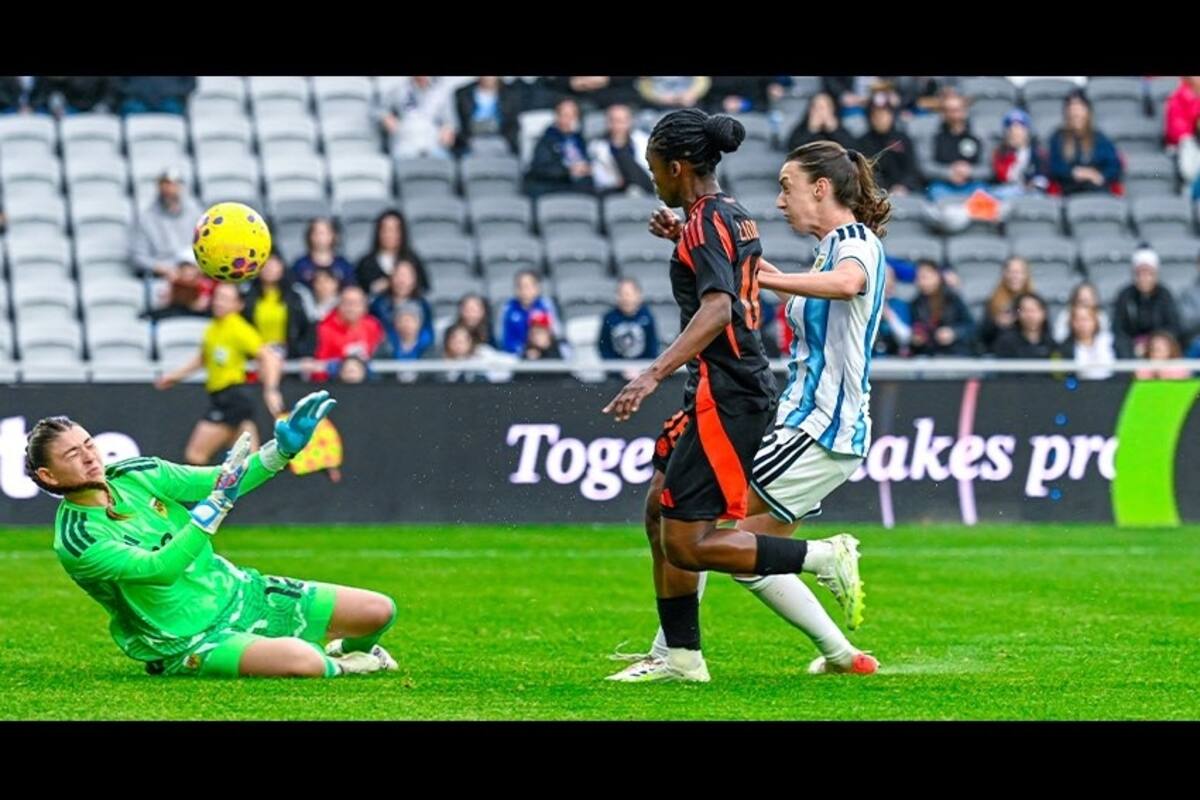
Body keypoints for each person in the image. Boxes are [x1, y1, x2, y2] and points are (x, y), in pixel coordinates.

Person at [603, 118, 877, 683]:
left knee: (702, 535)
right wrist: (688, 240)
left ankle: (684, 650)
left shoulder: (853, 244)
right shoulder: (818, 248)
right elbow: (743, 273)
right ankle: (839, 656)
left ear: (821, 188)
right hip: (797, 419)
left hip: (821, 427)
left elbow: (847, 284)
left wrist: (652, 373)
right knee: (680, 516)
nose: (780, 200)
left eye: (788, 186)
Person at [25, 393, 400, 678]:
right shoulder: (78, 539)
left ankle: (348, 649)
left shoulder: (134, 473)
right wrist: (211, 512)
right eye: (72, 454)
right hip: (186, 639)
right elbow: (161, 569)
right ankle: (352, 666)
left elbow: (220, 481)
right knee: (305, 662)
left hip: (239, 592)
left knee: (379, 611)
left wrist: (280, 452)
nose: (90, 456)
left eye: (88, 443)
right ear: (49, 477)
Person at [155, 283, 285, 465]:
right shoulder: (213, 328)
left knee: (195, 455)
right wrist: (174, 377)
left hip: (232, 397)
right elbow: (203, 359)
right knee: (248, 462)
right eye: (217, 297)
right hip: (222, 397)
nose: (219, 302)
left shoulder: (238, 328)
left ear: (238, 305)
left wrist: (271, 390)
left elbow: (269, 356)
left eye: (225, 299)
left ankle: (207, 493)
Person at [1048, 91, 1123, 196]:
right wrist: (1075, 172)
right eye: (1072, 109)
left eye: (1079, 108)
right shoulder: (1058, 137)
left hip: (1097, 189)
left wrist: (1100, 175)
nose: (1076, 113)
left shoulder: (1100, 138)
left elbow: (1114, 165)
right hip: (1069, 190)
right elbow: (1054, 166)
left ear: (1088, 111)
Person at [1113, 246, 1183, 357]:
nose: (1144, 278)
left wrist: (1153, 342)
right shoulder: (1125, 295)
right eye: (1140, 273)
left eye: (1148, 273)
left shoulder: (1165, 295)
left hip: (1159, 348)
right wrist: (1133, 345)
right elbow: (1118, 329)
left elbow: (1173, 326)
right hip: (1132, 349)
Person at [242, 253, 315, 359]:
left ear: (282, 267)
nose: (269, 269)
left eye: (273, 264)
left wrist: (304, 353)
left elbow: (309, 328)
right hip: (256, 357)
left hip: (291, 357)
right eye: (265, 264)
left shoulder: (298, 294)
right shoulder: (246, 295)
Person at [525, 97, 594, 197]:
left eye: (573, 116)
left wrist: (588, 167)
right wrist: (568, 171)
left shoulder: (580, 139)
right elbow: (540, 168)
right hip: (555, 187)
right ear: (557, 116)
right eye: (565, 115)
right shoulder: (547, 140)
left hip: (580, 187)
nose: (569, 120)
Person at [354, 209, 428, 296]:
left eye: (394, 230)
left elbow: (424, 288)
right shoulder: (366, 263)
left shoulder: (412, 260)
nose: (389, 234)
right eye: (385, 229)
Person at [909, 260, 975, 356]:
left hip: (955, 352)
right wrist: (917, 339)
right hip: (928, 355)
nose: (921, 282)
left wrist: (953, 333)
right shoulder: (915, 303)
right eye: (918, 278)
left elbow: (971, 327)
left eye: (924, 277)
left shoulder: (952, 299)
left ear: (937, 276)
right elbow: (912, 332)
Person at [588, 104, 654, 196]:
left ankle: (634, 189)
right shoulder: (596, 146)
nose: (617, 125)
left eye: (621, 121)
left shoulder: (644, 140)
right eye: (613, 121)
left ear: (629, 122)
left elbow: (651, 170)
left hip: (646, 186)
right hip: (615, 188)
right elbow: (599, 176)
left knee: (624, 157)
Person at [980, 257, 1035, 353]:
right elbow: (982, 336)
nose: (1015, 276)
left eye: (1019, 272)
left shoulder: (1035, 302)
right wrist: (996, 324)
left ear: (1026, 275)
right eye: (1011, 272)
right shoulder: (993, 302)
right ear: (1004, 274)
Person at [500, 271, 563, 355]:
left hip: (544, 354)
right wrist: (523, 352)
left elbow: (556, 333)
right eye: (519, 286)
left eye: (527, 286)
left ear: (537, 288)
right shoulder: (508, 308)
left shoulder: (546, 305)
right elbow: (503, 338)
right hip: (514, 356)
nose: (524, 291)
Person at [598, 278, 660, 361]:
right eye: (622, 294)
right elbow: (604, 347)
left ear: (638, 295)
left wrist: (641, 368)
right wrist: (619, 368)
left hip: (643, 369)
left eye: (629, 294)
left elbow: (653, 347)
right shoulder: (609, 318)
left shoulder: (647, 317)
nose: (626, 299)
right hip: (615, 370)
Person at [291, 218, 355, 288]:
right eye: (317, 233)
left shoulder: (344, 265)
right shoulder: (300, 265)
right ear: (310, 236)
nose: (320, 237)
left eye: (324, 233)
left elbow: (351, 289)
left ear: (333, 236)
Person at [1059, 303, 1116, 380]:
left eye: (1086, 319)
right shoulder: (1064, 348)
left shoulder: (1112, 341)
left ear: (1095, 321)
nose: (1082, 324)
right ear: (1071, 323)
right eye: (1077, 320)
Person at [785, 92, 856, 152]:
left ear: (832, 110)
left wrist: (834, 131)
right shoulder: (802, 129)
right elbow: (792, 151)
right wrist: (811, 131)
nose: (820, 112)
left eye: (823, 108)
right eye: (816, 108)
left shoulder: (840, 129)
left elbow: (852, 151)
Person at [993, 293, 1057, 359]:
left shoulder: (1052, 344)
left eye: (1034, 310)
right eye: (1025, 310)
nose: (1030, 315)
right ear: (1017, 315)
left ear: (1044, 313)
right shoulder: (1005, 343)